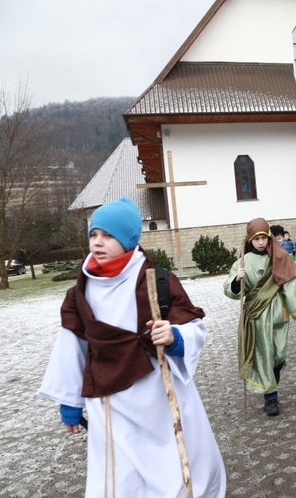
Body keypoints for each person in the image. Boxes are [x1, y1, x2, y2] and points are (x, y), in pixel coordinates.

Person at [39, 197, 226, 497]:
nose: (98, 242)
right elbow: (72, 346)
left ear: (127, 239)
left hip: (158, 398)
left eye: (108, 235)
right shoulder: (80, 292)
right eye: (93, 235)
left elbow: (195, 329)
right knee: (120, 483)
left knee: (176, 477)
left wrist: (174, 336)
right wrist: (70, 403)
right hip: (109, 404)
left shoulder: (157, 281)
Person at [224, 218, 296, 416]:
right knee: (264, 355)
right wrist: (237, 281)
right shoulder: (242, 262)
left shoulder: (280, 258)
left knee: (278, 354)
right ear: (250, 240)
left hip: (279, 312)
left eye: (264, 238)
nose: (261, 242)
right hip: (256, 315)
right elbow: (230, 290)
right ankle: (271, 398)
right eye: (256, 239)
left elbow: (291, 284)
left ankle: (275, 371)